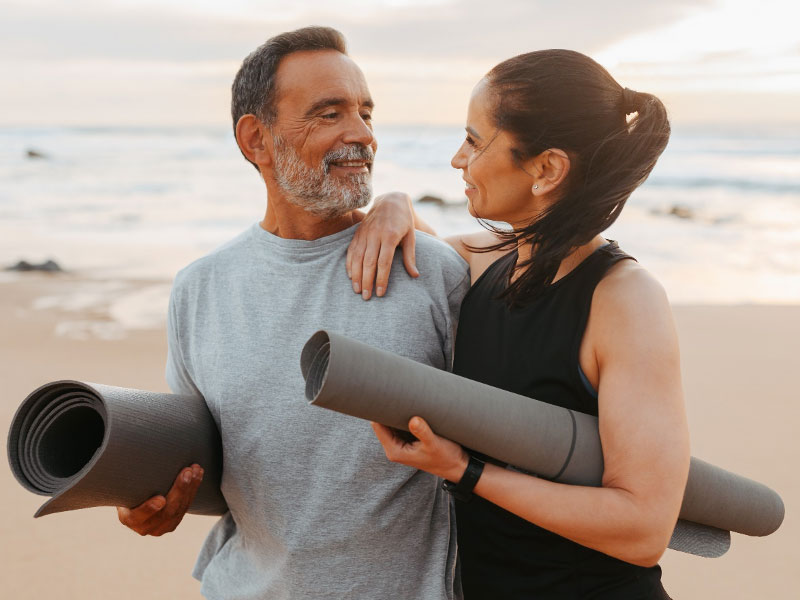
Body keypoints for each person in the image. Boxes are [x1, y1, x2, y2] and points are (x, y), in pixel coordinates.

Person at [116, 27, 469, 600]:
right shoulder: (199, 289)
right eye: (329, 114)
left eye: (366, 113)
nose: (362, 136)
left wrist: (401, 204)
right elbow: (198, 460)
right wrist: (149, 497)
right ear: (256, 139)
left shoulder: (431, 271)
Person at [347, 49, 690, 599]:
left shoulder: (625, 300)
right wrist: (393, 201)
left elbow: (644, 528)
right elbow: (420, 242)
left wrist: (466, 471)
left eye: (474, 140)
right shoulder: (487, 261)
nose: (459, 160)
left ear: (547, 168)